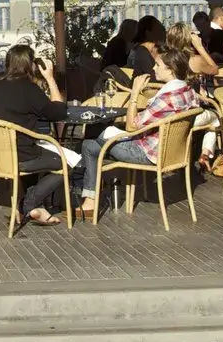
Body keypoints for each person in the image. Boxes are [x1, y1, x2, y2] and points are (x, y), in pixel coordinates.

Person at [74, 51, 213, 219]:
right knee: (89, 145)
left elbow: (132, 126)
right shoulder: (188, 92)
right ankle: (90, 202)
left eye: (158, 65)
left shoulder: (166, 98)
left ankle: (88, 195)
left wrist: (134, 93)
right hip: (172, 152)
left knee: (94, 135)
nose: (154, 68)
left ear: (170, 70)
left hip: (146, 153)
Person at [0, 44, 71, 227]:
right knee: (66, 164)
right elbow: (59, 113)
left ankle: (30, 207)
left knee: (33, 148)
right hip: (16, 155)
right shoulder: (29, 89)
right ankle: (29, 204)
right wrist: (50, 78)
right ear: (31, 65)